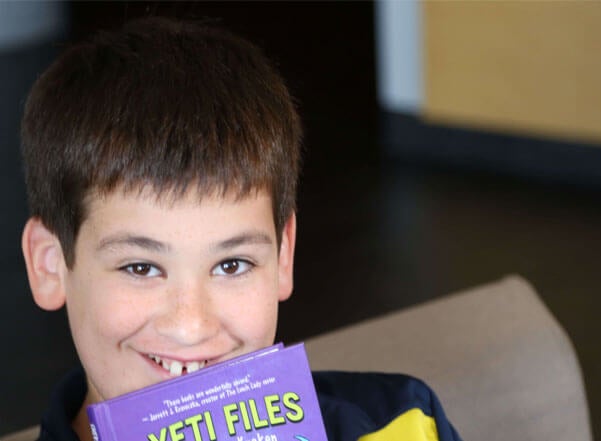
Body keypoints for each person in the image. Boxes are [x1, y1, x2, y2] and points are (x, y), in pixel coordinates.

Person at [20, 17, 461, 441]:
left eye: (231, 264)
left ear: (283, 256)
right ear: (50, 266)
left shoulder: (403, 424)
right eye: (141, 268)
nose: (191, 326)